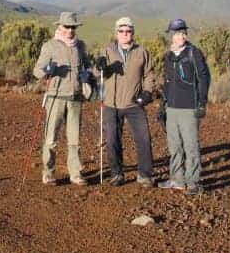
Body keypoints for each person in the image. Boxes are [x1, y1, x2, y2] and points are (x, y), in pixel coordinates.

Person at [32, 12, 94, 186]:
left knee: (74, 139)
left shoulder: (80, 46)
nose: (70, 30)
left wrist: (87, 75)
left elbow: (87, 66)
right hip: (55, 97)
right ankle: (49, 173)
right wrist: (47, 70)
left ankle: (75, 174)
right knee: (51, 138)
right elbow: (36, 71)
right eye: (67, 27)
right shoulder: (50, 46)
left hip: (75, 97)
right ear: (59, 27)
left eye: (73, 27)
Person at [96, 16, 156, 187]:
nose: (125, 34)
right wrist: (99, 65)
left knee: (144, 138)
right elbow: (97, 73)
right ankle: (117, 173)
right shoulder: (107, 51)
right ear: (116, 33)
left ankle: (145, 175)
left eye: (128, 31)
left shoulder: (142, 52)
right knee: (113, 139)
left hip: (134, 104)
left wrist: (147, 92)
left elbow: (149, 74)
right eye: (121, 31)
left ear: (133, 32)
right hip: (111, 103)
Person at [158, 18, 210, 195]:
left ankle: (193, 182)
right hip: (172, 107)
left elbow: (204, 78)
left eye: (183, 32)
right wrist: (163, 104)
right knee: (174, 146)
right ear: (171, 36)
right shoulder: (169, 56)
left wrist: (202, 102)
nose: (181, 36)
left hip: (189, 107)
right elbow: (167, 81)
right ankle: (177, 180)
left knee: (191, 145)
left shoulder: (193, 53)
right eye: (177, 33)